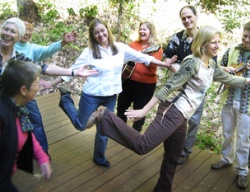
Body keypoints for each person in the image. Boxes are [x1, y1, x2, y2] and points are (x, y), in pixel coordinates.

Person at [91, 26, 250, 192]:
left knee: (173, 156)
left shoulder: (212, 65)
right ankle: (105, 115)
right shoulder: (192, 63)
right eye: (214, 42)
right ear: (203, 43)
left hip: (182, 116)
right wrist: (144, 110)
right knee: (143, 145)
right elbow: (169, 86)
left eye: (218, 42)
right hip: (172, 109)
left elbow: (229, 79)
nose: (218, 46)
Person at [48, 18, 175, 168]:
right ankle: (65, 100)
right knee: (81, 125)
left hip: (110, 97)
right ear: (93, 36)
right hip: (91, 95)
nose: (101, 34)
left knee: (104, 128)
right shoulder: (89, 52)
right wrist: (51, 84)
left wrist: (164, 64)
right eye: (96, 33)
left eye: (102, 30)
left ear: (107, 30)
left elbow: (143, 57)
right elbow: (72, 70)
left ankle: (99, 157)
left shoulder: (120, 48)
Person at [210, 21, 250, 189]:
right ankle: (226, 159)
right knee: (228, 132)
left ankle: (242, 171)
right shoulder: (232, 50)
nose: (246, 40)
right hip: (228, 98)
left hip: (247, 103)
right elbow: (217, 68)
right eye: (244, 36)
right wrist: (226, 69)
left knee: (244, 139)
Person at [14, 19, 78, 154]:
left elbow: (46, 53)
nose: (28, 32)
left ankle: (43, 152)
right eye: (25, 29)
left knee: (36, 120)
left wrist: (63, 42)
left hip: (26, 94)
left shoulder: (31, 49)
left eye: (30, 29)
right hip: (8, 94)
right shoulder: (8, 48)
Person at [163, 5, 216, 165]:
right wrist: (176, 69)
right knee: (174, 118)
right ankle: (172, 149)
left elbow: (212, 62)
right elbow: (167, 58)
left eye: (189, 17)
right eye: (183, 18)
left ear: (196, 16)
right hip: (178, 88)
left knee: (193, 121)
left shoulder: (206, 37)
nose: (186, 20)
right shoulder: (176, 38)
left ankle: (185, 151)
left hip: (197, 90)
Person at [0, 60, 52, 192]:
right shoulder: (3, 114)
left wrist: (42, 157)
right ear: (23, 90)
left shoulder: (17, 108)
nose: (40, 85)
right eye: (37, 83)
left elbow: (25, 132)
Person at [116, 21, 163, 132]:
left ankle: (135, 134)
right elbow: (122, 57)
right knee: (122, 106)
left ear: (150, 32)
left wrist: (142, 56)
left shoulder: (156, 48)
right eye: (140, 29)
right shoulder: (132, 45)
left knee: (139, 110)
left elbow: (153, 65)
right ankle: (119, 131)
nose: (142, 31)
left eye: (145, 29)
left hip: (146, 86)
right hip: (128, 81)